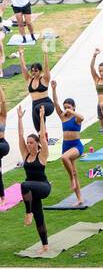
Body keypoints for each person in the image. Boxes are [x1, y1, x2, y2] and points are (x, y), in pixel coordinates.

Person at [16, 105, 52, 253]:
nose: (29, 144)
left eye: (31, 142)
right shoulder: (25, 154)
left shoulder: (42, 155)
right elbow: (20, 135)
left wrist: (42, 118)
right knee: (39, 218)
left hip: (43, 187)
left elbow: (43, 136)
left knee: (24, 184)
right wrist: (19, 119)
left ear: (37, 144)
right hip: (32, 191)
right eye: (28, 142)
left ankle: (28, 212)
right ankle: (45, 246)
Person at [49, 81, 85, 208]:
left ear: (74, 107)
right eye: (65, 107)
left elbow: (82, 116)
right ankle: (79, 198)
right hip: (66, 146)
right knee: (73, 171)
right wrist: (53, 89)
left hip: (77, 146)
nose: (66, 109)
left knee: (64, 158)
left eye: (69, 107)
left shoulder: (76, 118)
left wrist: (71, 111)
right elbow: (55, 103)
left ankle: (72, 180)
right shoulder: (63, 117)